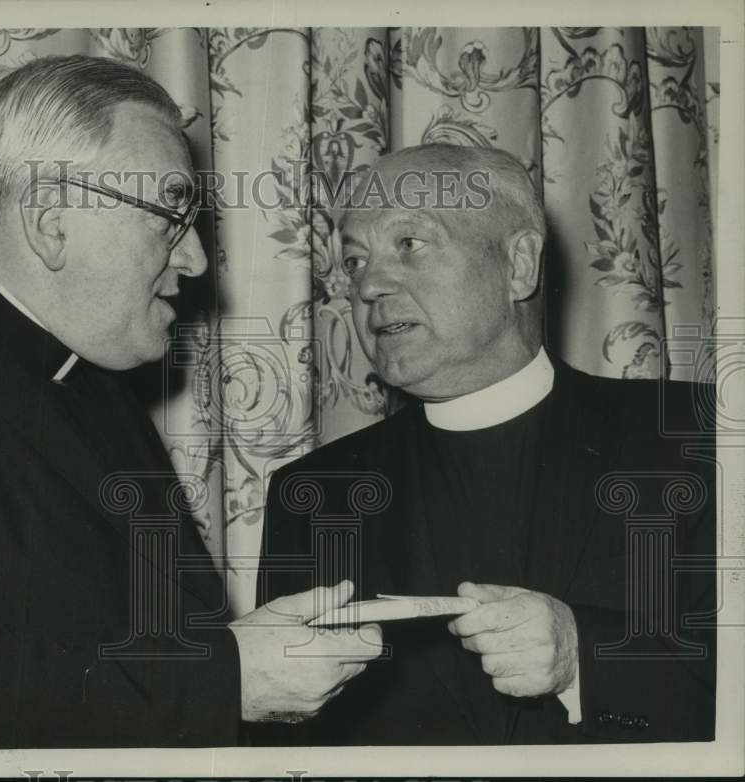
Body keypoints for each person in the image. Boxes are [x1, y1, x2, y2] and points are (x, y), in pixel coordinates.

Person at [0, 54, 382, 748]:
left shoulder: (102, 393)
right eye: (171, 216)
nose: (196, 263)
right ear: (53, 224)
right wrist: (224, 679)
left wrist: (245, 655)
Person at [257, 143, 716, 744]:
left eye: (410, 244)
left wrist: (586, 657)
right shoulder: (311, 493)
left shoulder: (699, 435)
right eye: (354, 262)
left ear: (519, 264)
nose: (369, 286)